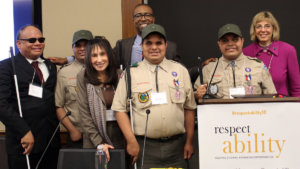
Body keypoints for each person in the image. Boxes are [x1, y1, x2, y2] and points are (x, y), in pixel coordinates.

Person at [111, 24, 196, 168]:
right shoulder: (130, 74)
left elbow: (189, 108)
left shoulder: (180, 71)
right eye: (148, 43)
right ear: (142, 46)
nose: (154, 47)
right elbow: (120, 110)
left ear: (166, 45)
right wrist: (131, 141)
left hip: (177, 148)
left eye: (158, 43)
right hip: (144, 148)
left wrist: (189, 141)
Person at [0, 25, 59, 169]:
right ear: (19, 44)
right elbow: (1, 104)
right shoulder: (6, 67)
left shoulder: (50, 66)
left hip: (50, 141)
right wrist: (24, 131)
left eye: (41, 39)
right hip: (24, 141)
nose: (38, 43)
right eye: (32, 40)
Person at [194, 24, 277, 99]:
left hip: (251, 114)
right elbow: (193, 96)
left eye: (235, 40)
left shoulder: (258, 66)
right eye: (225, 41)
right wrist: (197, 95)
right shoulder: (209, 69)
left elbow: (272, 96)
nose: (230, 44)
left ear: (242, 41)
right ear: (219, 44)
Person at [76, 37, 125, 161]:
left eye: (102, 54)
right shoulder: (83, 76)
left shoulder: (120, 75)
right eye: (94, 55)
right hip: (94, 139)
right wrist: (99, 142)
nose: (99, 60)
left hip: (120, 135)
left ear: (109, 55)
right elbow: (84, 113)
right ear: (88, 58)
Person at [243, 11, 300, 97]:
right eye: (259, 26)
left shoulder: (288, 50)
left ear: (274, 29)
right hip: (254, 107)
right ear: (254, 30)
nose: (263, 30)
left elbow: (296, 88)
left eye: (267, 26)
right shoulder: (246, 52)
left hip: (281, 105)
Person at [55, 30, 93, 148]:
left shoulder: (102, 69)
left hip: (101, 133)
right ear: (72, 48)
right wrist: (72, 130)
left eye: (86, 45)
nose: (82, 49)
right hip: (78, 134)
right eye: (78, 45)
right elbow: (59, 106)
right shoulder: (64, 73)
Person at [113, 4, 180, 69]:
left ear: (153, 19)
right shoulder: (122, 45)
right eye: (138, 16)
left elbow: (178, 73)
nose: (143, 19)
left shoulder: (171, 48)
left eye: (147, 15)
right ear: (133, 20)